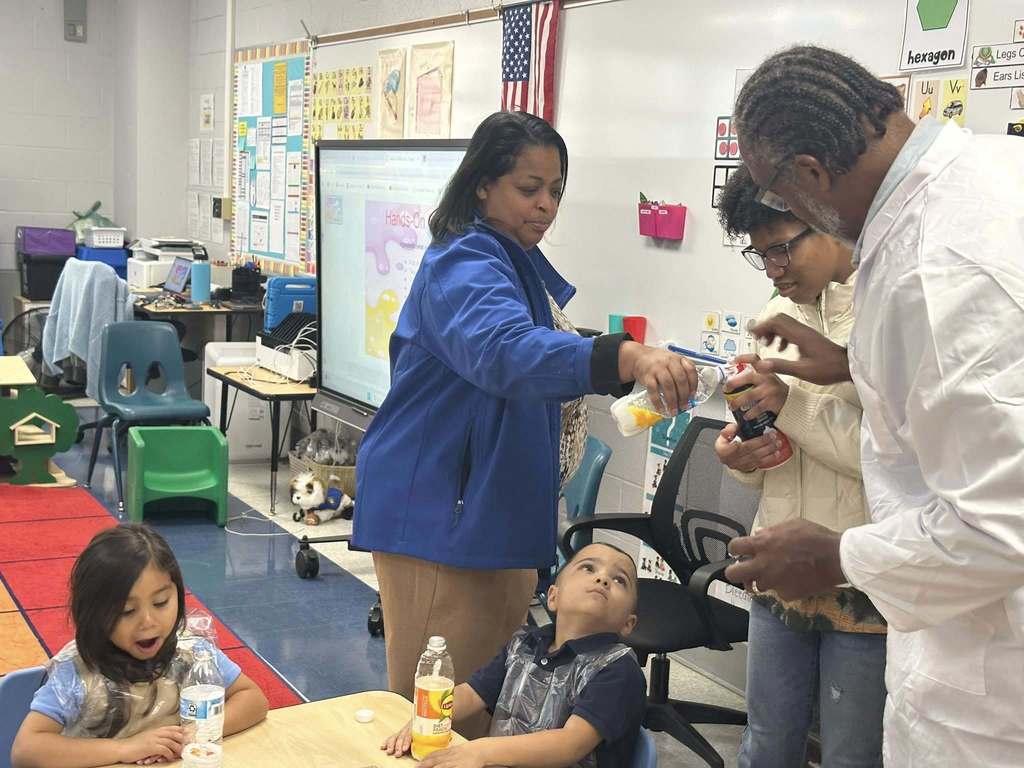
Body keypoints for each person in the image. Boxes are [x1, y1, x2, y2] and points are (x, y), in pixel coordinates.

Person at [724, 45, 1024, 765]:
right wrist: (846, 366)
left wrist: (836, 554)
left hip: (988, 682)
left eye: (784, 207)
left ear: (809, 176)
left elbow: (1002, 527)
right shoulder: (988, 177)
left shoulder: (939, 267)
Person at [352, 111, 696, 735]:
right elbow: (506, 351)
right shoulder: (466, 263)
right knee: (433, 722)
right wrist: (620, 356)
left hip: (489, 517)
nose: (545, 206)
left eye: (556, 191)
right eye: (528, 188)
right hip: (445, 521)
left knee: (477, 716)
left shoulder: (510, 262)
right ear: (483, 184)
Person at [715, 165, 886, 768]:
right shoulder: (775, 314)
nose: (776, 269)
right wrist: (741, 454)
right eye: (761, 256)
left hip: (862, 574)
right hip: (782, 563)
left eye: (784, 248)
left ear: (832, 219)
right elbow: (774, 448)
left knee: (851, 753)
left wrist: (792, 404)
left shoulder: (885, 311)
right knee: (765, 742)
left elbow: (893, 458)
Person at [11, 524, 268, 768]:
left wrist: (194, 733)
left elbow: (253, 699)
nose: (148, 622)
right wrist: (125, 748)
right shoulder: (77, 673)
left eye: (160, 603)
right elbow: (27, 750)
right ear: (92, 615)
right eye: (127, 611)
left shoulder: (191, 654)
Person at [380, 542, 646, 768]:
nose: (602, 579)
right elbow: (472, 693)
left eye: (619, 579)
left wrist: (481, 751)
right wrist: (426, 721)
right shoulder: (525, 644)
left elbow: (571, 744)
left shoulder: (617, 669)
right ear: (553, 596)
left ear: (628, 624)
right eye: (588, 568)